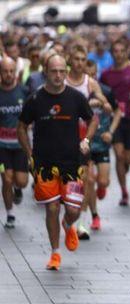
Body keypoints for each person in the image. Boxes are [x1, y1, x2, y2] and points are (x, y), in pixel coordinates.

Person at [17, 54, 97, 270]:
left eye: (62, 71)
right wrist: (29, 152)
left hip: (72, 162)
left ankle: (68, 224)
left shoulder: (75, 97)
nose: (59, 75)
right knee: (52, 208)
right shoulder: (35, 99)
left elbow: (92, 119)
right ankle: (55, 253)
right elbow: (21, 127)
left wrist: (87, 140)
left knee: (73, 210)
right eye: (54, 71)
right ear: (46, 71)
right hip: (44, 164)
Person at [65, 44, 112, 236]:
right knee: (69, 182)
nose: (79, 63)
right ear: (70, 61)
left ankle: (80, 223)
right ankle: (68, 216)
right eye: (76, 59)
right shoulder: (64, 81)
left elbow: (106, 104)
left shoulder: (90, 83)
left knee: (87, 179)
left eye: (82, 60)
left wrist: (103, 103)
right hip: (64, 138)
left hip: (85, 138)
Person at [100, 39, 130, 206]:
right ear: (111, 53)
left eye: (121, 51)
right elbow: (102, 93)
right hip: (114, 119)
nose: (118, 54)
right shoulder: (106, 74)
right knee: (119, 156)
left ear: (126, 52)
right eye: (115, 51)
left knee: (128, 159)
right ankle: (124, 191)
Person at [84, 60, 121, 231]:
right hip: (86, 144)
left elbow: (118, 111)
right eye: (87, 75)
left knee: (103, 182)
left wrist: (111, 132)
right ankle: (94, 215)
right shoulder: (79, 93)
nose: (91, 78)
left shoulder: (105, 91)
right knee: (89, 180)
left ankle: (102, 186)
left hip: (102, 143)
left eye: (93, 75)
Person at [0, 57, 29, 229]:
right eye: (5, 71)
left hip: (19, 145)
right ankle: (10, 213)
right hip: (2, 146)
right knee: (7, 179)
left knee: (21, 181)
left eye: (11, 71)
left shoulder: (24, 92)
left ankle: (18, 190)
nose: (9, 74)